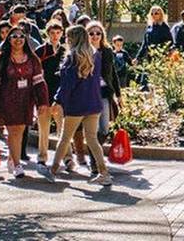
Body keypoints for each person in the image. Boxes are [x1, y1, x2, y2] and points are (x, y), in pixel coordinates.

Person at [45, 25, 112, 186]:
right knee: (92, 139)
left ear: (73, 39)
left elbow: (67, 85)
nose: (65, 40)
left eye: (68, 37)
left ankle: (53, 170)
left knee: (65, 138)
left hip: (76, 104)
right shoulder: (95, 55)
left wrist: (57, 100)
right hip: (94, 103)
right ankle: (104, 173)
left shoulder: (72, 57)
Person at [0, 26, 49, 179]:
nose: (18, 39)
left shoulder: (33, 59)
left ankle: (12, 158)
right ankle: (17, 165)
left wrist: (42, 102)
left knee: (20, 131)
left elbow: (39, 82)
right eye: (14, 36)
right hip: (6, 99)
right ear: (8, 40)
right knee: (12, 131)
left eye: (21, 36)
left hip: (25, 100)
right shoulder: (1, 59)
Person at [87, 21, 120, 161]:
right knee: (92, 130)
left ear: (102, 35)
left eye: (98, 33)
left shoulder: (107, 51)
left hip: (104, 93)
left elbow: (113, 73)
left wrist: (118, 94)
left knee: (105, 128)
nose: (95, 36)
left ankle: (95, 155)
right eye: (91, 33)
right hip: (88, 94)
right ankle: (95, 160)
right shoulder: (83, 51)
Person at [35, 20, 66, 166]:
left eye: (58, 33)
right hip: (43, 95)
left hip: (60, 96)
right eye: (52, 33)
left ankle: (67, 157)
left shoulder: (65, 51)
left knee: (63, 129)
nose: (55, 36)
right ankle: (42, 157)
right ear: (48, 34)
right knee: (44, 129)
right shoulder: (41, 51)